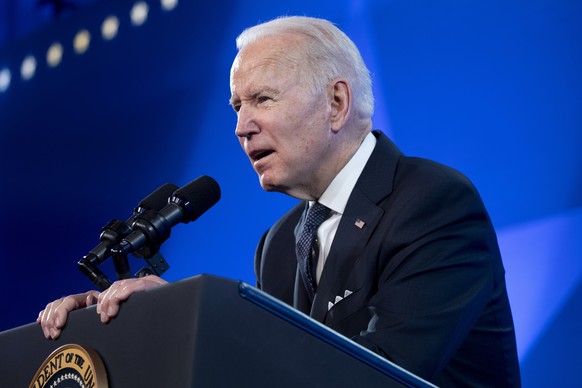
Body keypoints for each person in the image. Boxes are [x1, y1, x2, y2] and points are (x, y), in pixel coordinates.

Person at [38, 16, 521, 386]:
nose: (241, 127)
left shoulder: (432, 202)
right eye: (236, 106)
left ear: (336, 103)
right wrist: (145, 321)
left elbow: (382, 373)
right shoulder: (281, 240)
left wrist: (196, 310)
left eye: (262, 100)